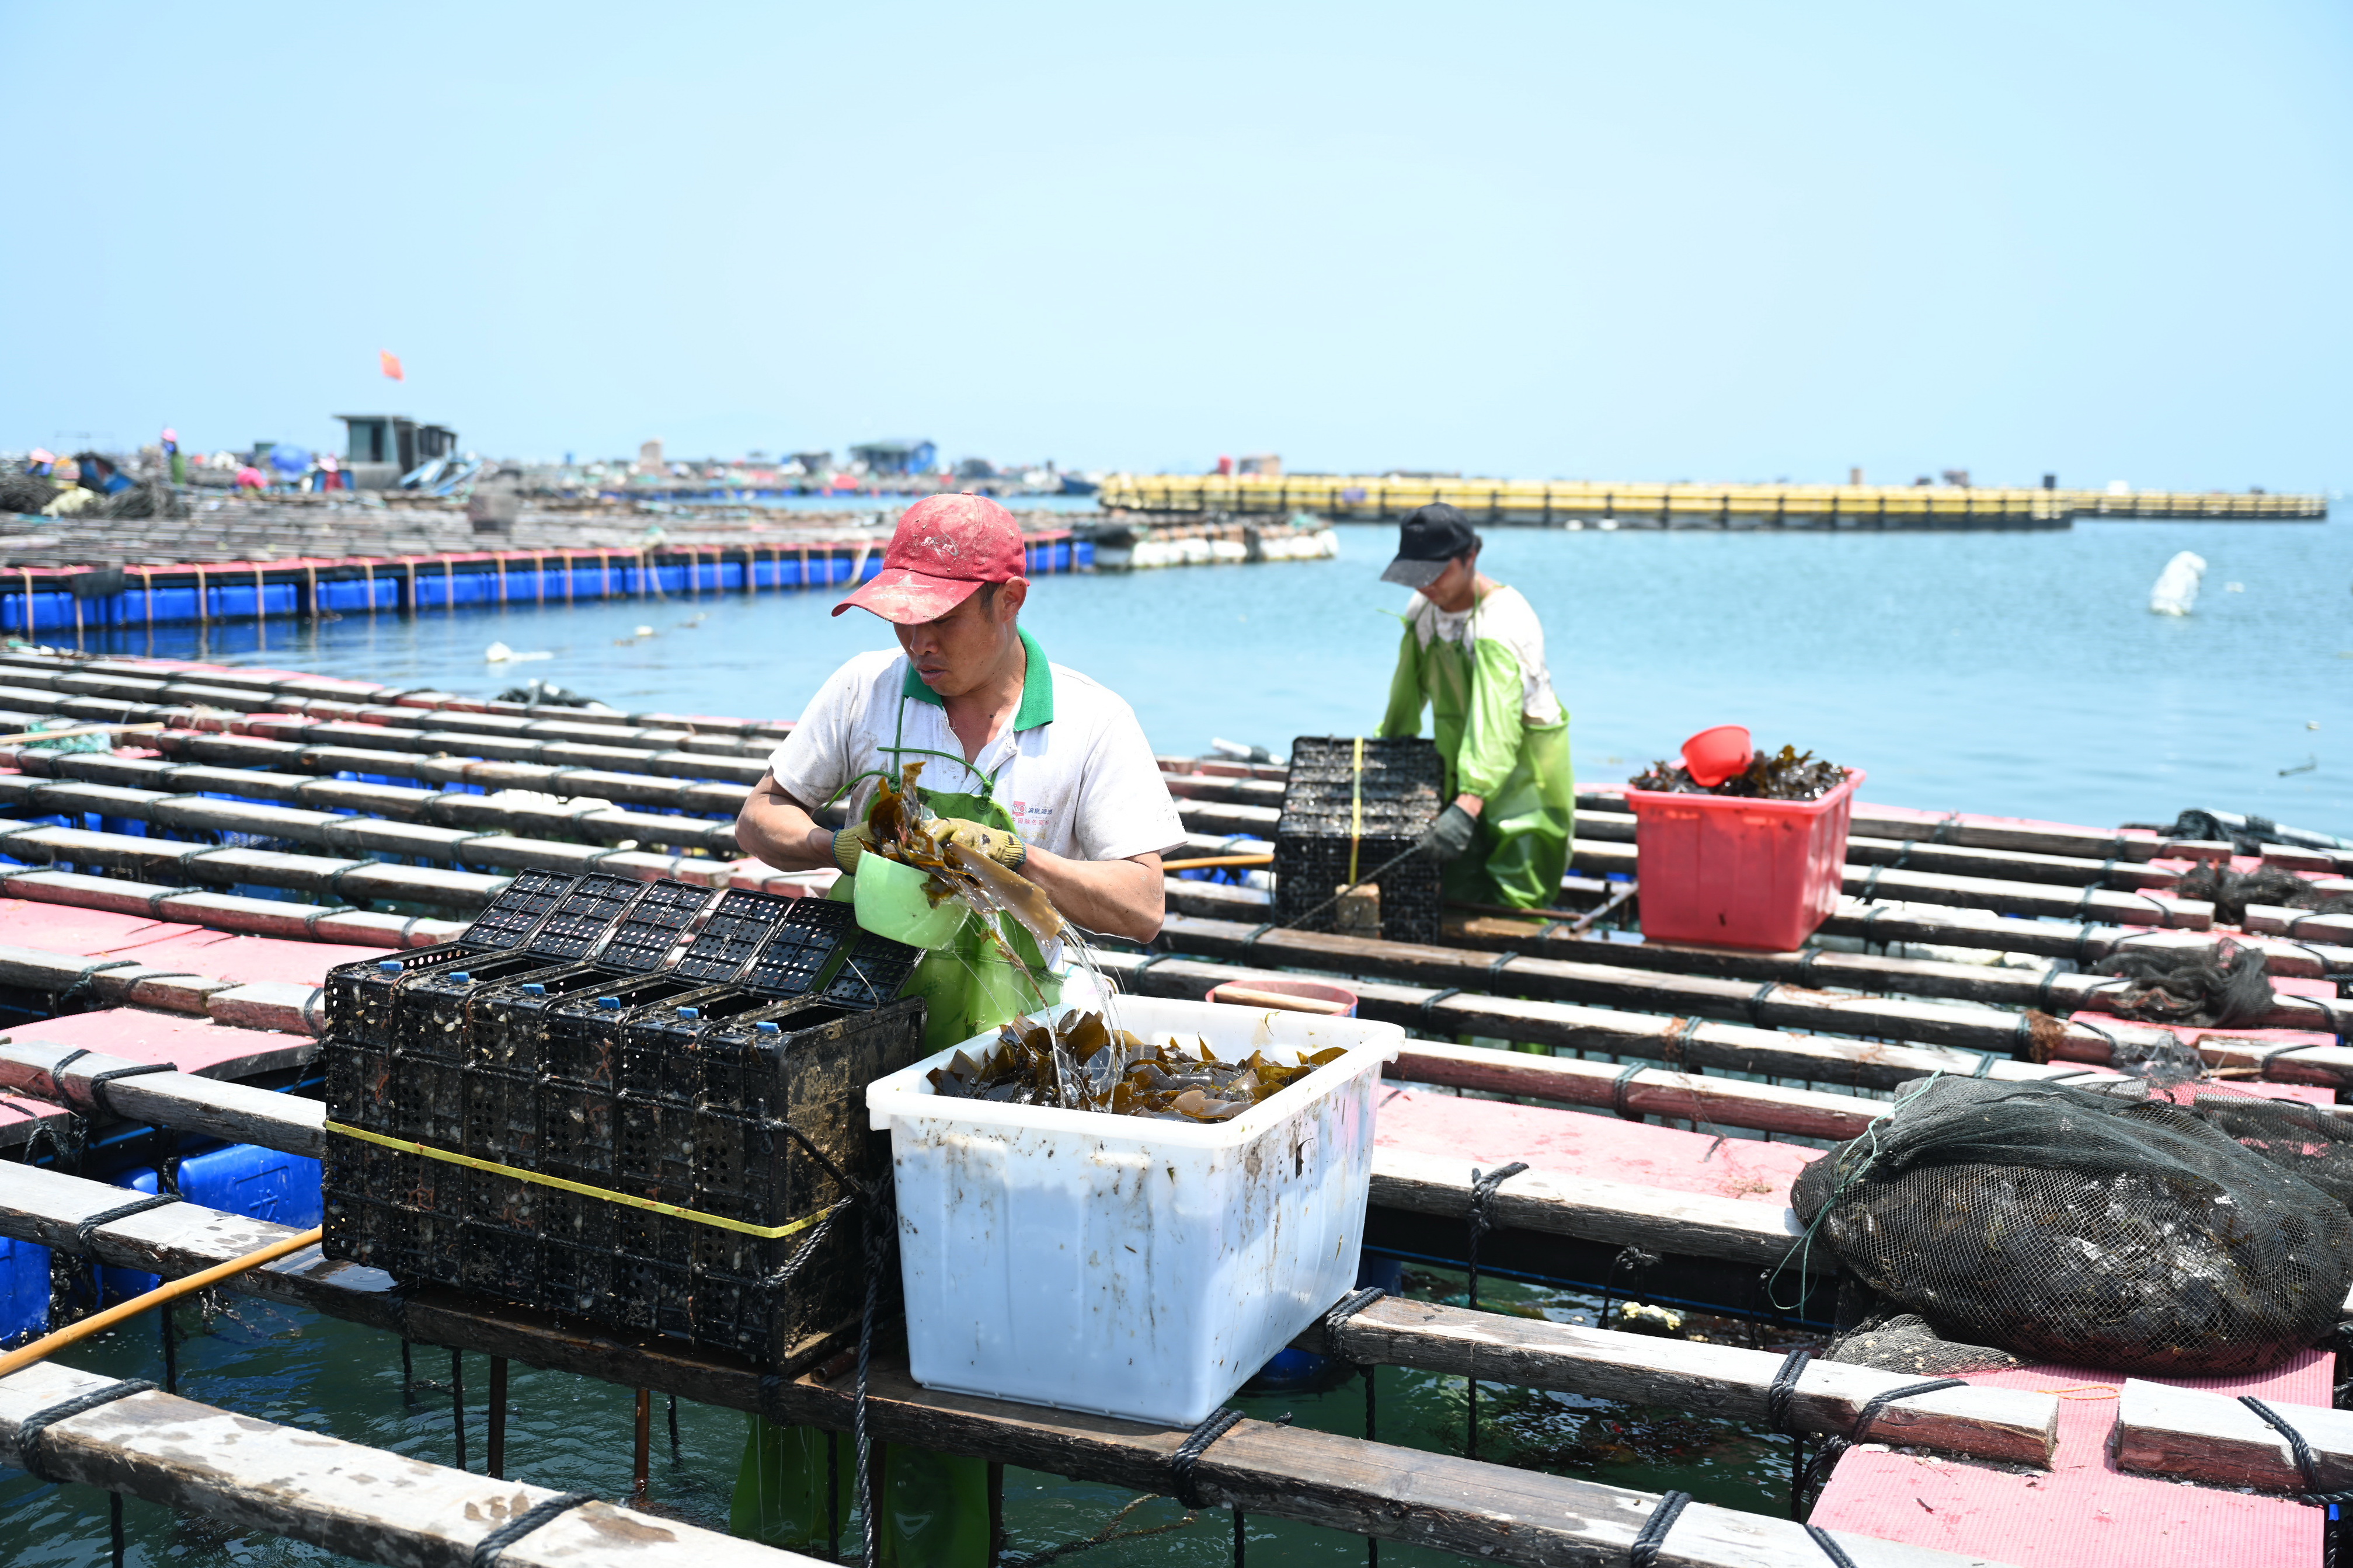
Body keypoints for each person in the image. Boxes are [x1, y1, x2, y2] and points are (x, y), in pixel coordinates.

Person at [731, 491, 1182, 1565]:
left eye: (941, 619)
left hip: (1010, 1050)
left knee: (959, 1312)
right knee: (819, 1294)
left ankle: (941, 1537)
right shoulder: (865, 690)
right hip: (860, 1021)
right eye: (902, 618)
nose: (917, 641)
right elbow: (761, 817)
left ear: (1009, 600)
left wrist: (1025, 863)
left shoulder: (1090, 723)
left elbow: (1144, 906)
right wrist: (843, 848)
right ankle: (788, 1537)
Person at [1377, 503, 1574, 912]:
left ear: (1471, 557)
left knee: (1517, 902)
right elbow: (1405, 695)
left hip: (1526, 778)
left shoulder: (1503, 622)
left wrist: (1470, 801)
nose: (1426, 584)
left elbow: (1498, 722)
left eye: (1436, 572)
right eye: (1416, 574)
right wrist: (1387, 758)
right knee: (1456, 895)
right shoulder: (1424, 612)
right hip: (1459, 766)